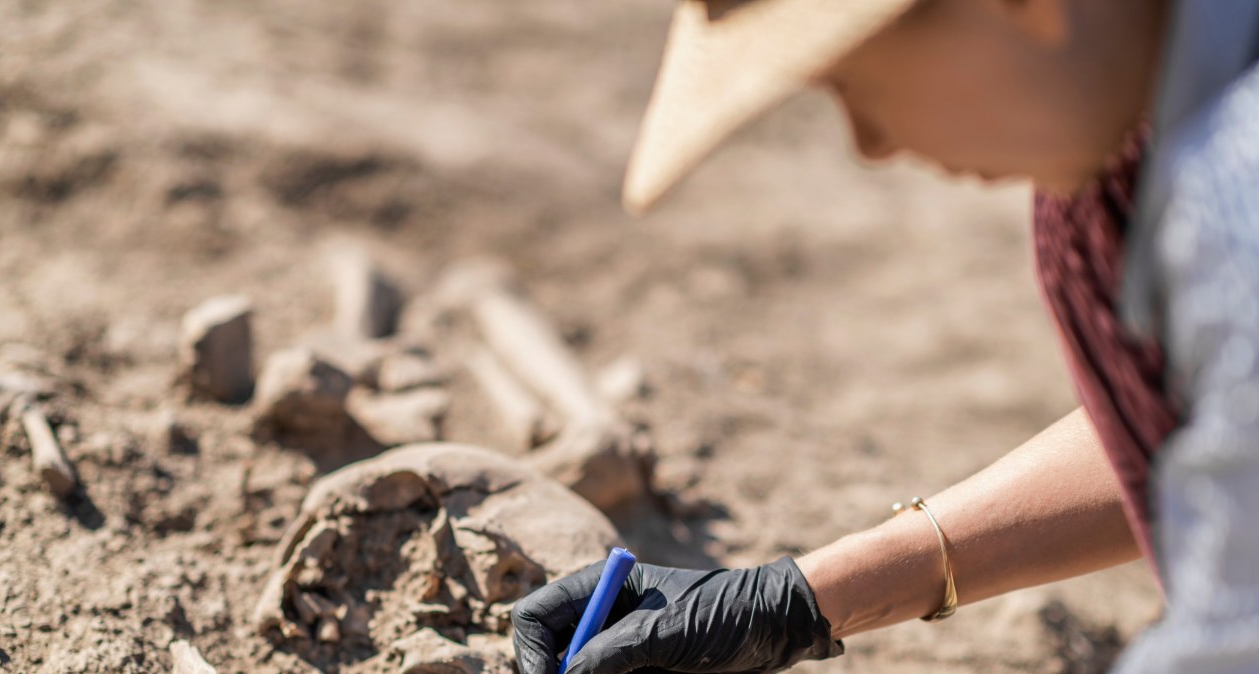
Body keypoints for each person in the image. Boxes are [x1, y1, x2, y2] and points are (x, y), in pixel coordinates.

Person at [512, 1, 1259, 672]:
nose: (871, 143)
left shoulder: (1232, 196)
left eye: (848, 83)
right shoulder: (1132, 159)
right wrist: (795, 600)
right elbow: (1220, 429)